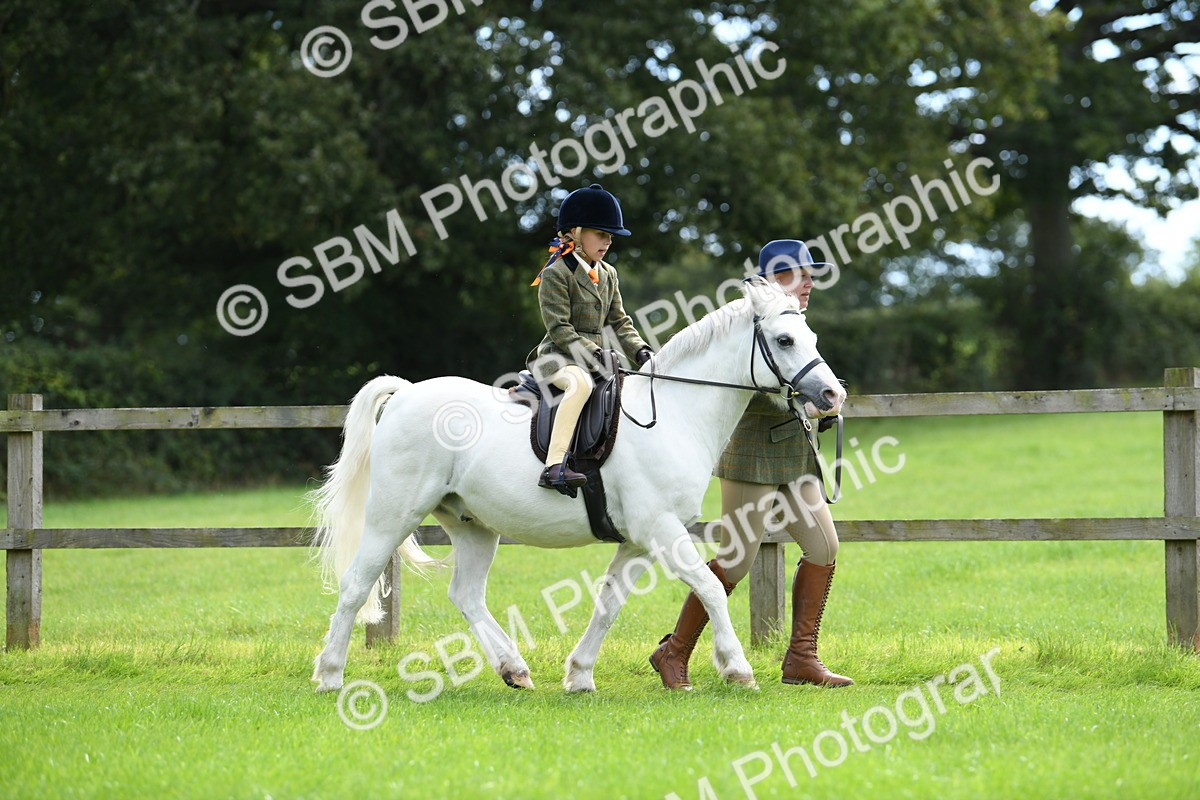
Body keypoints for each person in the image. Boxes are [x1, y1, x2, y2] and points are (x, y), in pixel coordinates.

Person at [649, 239, 852, 689]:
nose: (811, 283)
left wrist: (822, 395)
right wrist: (807, 401)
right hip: (751, 453)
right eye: (802, 274)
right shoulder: (744, 322)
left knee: (824, 548)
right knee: (736, 562)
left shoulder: (793, 321)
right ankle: (673, 652)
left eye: (812, 275)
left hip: (793, 454)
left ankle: (801, 658)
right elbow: (749, 379)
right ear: (777, 278)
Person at [526, 184, 653, 493]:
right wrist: (595, 353)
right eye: (601, 234)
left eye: (611, 237)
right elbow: (560, 330)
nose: (608, 242)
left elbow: (620, 322)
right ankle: (554, 466)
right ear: (575, 233)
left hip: (592, 360)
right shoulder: (556, 273)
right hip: (555, 358)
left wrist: (642, 352)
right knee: (579, 384)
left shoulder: (608, 273)